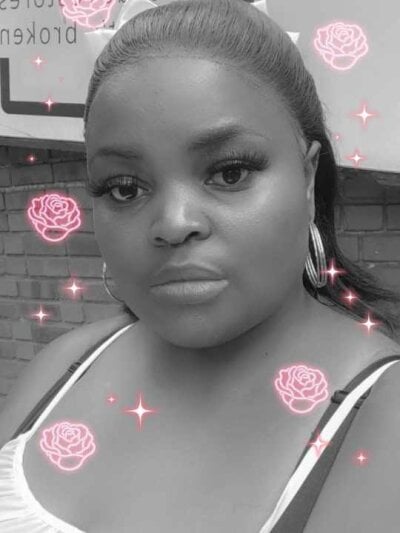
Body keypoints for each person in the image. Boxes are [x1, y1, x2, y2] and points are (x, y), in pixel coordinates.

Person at [1, 0, 400, 531]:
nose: (174, 223)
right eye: (125, 188)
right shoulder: (63, 366)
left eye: (230, 173)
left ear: (307, 178)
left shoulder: (381, 418)